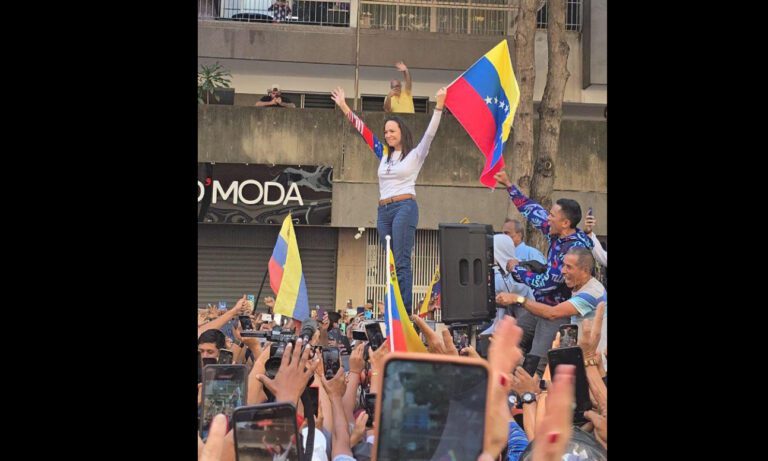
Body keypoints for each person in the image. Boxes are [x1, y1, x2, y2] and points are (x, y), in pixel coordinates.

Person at [332, 85, 446, 314]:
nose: (388, 135)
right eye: (386, 132)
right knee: (389, 262)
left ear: (402, 132)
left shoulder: (416, 155)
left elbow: (431, 133)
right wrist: (344, 106)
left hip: (405, 206)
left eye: (392, 131)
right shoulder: (383, 154)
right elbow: (364, 132)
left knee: (402, 260)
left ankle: (403, 309)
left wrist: (440, 105)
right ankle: (391, 304)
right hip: (383, 210)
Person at [496, 247, 607, 354]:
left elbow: (552, 313)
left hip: (594, 364)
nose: (563, 271)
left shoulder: (592, 293)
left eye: (569, 267)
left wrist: (517, 298)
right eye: (563, 265)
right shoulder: (581, 286)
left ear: (585, 270)